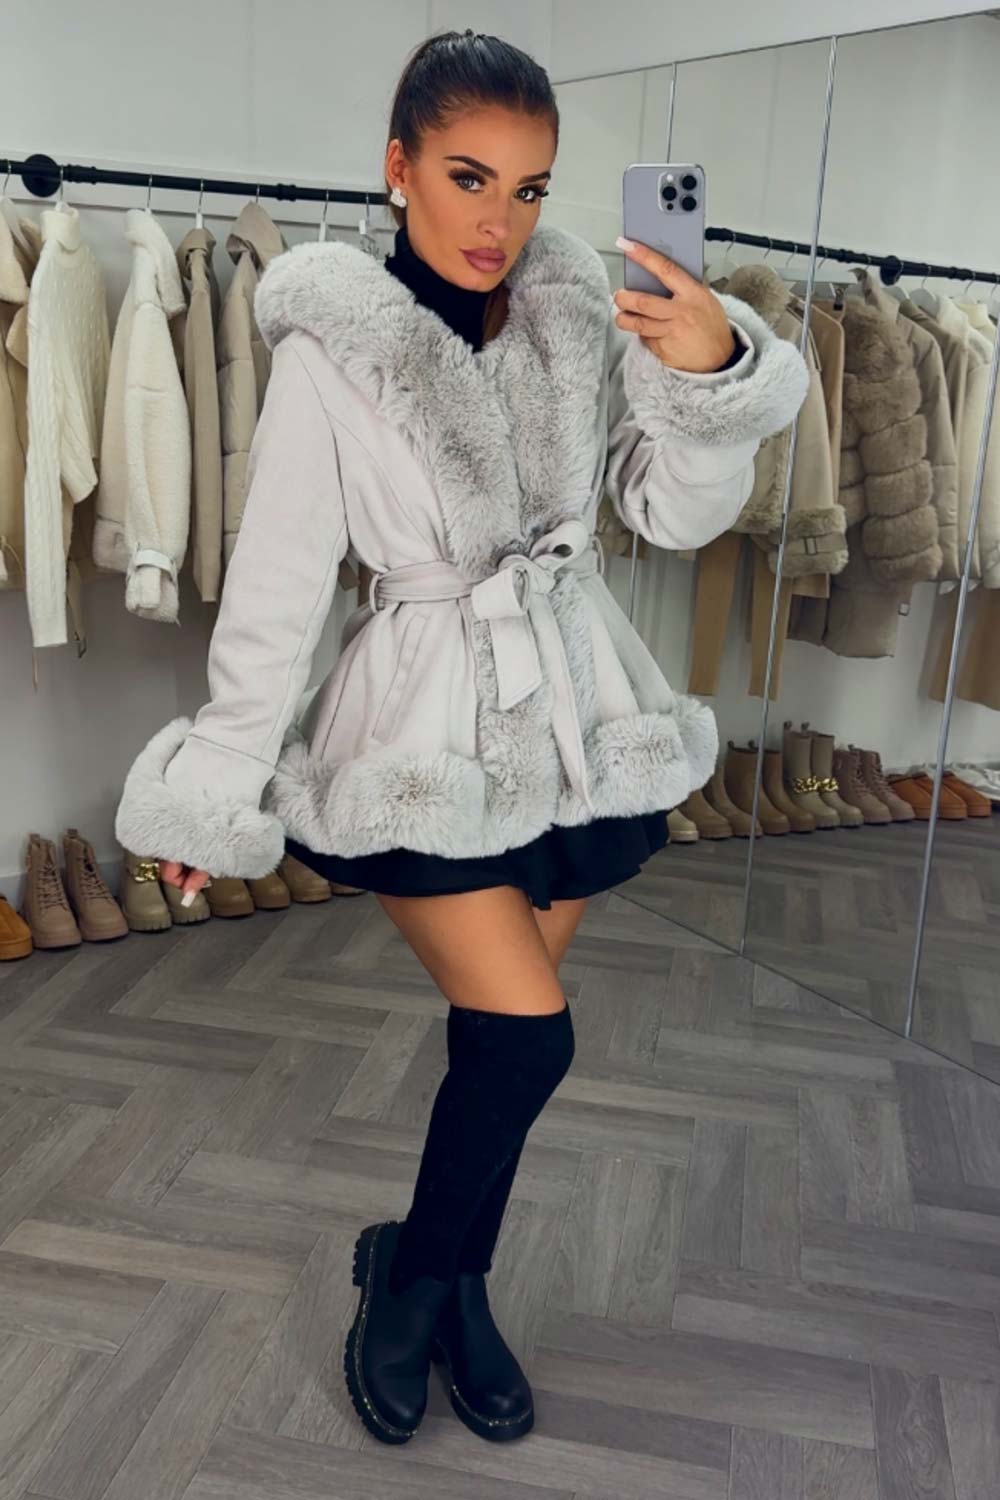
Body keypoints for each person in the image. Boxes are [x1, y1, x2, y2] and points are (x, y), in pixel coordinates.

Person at [115, 28, 807, 1449]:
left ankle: (444, 1280)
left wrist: (705, 377)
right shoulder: (334, 349)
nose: (501, 220)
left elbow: (666, 514)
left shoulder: (572, 318)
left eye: (532, 187)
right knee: (530, 1038)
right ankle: (416, 1276)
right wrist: (220, 782)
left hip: (576, 716)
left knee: (495, 1044)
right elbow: (280, 583)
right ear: (399, 168)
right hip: (423, 724)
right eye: (469, 176)